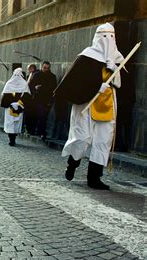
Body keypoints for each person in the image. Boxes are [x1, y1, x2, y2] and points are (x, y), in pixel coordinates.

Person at [54, 23, 123, 190]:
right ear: (98, 37)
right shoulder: (86, 57)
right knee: (82, 138)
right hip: (86, 104)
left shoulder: (118, 59)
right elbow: (73, 83)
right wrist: (95, 87)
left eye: (111, 37)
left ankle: (94, 177)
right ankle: (72, 164)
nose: (108, 41)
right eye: (105, 37)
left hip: (107, 106)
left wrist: (113, 77)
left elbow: (119, 84)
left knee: (102, 141)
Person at [1, 68, 31, 146]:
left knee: (12, 123)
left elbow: (5, 97)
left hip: (15, 107)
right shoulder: (23, 84)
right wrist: (18, 103)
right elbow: (27, 97)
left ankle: (12, 138)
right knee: (14, 123)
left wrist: (15, 103)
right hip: (16, 107)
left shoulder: (10, 84)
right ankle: (12, 138)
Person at [29, 61, 57, 139]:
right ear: (42, 67)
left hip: (47, 99)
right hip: (38, 98)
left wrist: (51, 100)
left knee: (44, 116)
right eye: (45, 68)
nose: (46, 69)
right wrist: (35, 88)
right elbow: (30, 85)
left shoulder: (52, 77)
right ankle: (39, 131)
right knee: (40, 115)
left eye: (48, 68)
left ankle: (41, 132)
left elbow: (54, 88)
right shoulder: (36, 75)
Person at [24, 64, 39, 135]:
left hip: (33, 99)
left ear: (32, 68)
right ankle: (29, 129)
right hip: (29, 98)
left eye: (29, 69)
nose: (28, 71)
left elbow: (32, 86)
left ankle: (31, 130)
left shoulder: (36, 75)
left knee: (32, 115)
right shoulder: (29, 75)